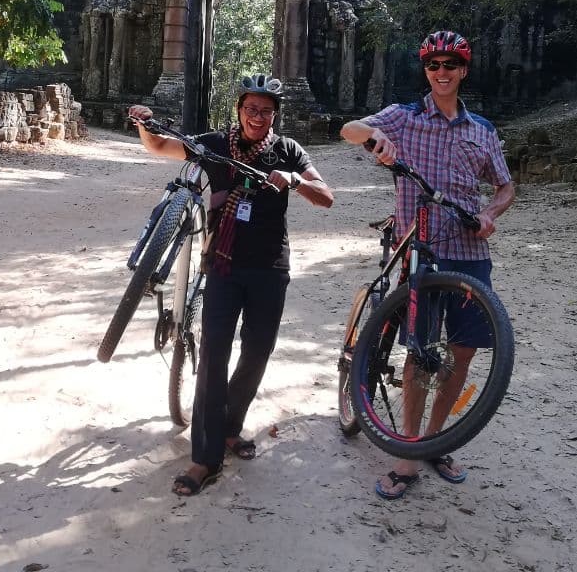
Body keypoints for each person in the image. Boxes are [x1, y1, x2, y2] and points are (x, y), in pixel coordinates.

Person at [128, 74, 333, 497]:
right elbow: (161, 146)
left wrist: (293, 180)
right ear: (239, 110)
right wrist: (144, 125)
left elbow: (326, 194)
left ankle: (229, 426)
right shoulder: (216, 146)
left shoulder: (288, 150)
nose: (258, 117)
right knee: (215, 356)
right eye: (251, 109)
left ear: (275, 115)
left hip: (270, 268)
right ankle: (204, 459)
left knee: (258, 351)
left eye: (266, 111)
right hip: (222, 265)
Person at [340, 30, 514, 500]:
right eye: (434, 65)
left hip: (469, 252)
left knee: (461, 355)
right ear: (426, 71)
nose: (442, 73)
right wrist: (376, 136)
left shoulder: (482, 130)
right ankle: (408, 454)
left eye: (451, 65)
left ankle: (437, 440)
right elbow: (349, 130)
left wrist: (490, 214)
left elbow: (504, 187)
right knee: (419, 353)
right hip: (419, 247)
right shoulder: (404, 116)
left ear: (463, 71)